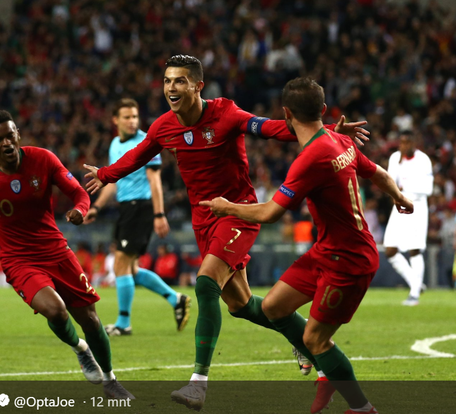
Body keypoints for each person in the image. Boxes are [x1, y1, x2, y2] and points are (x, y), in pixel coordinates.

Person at [84, 55, 369, 410]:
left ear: (197, 86)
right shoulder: (163, 127)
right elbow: (139, 156)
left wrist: (322, 131)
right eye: (167, 81)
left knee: (205, 283)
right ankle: (298, 337)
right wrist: (106, 175)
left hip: (238, 214)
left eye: (180, 81)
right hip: (205, 220)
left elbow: (270, 128)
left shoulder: (227, 114)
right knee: (241, 306)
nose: (171, 88)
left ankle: (198, 383)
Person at [200, 77, 413, 414]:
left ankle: (361, 408)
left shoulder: (310, 158)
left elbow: (270, 212)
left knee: (316, 339)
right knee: (273, 308)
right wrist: (399, 196)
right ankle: (325, 370)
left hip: (349, 260)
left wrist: (227, 207)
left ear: (285, 113)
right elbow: (379, 174)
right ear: (324, 110)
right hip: (326, 249)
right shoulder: (339, 139)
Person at [0, 110, 133, 399]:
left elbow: (80, 193)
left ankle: (111, 380)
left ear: (18, 135)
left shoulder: (44, 159)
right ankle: (80, 349)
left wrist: (80, 210)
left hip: (56, 250)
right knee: (56, 310)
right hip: (18, 260)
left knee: (91, 319)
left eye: (10, 136)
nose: (6, 143)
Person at [83, 98, 190, 336]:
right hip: (125, 209)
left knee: (121, 264)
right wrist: (97, 207)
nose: (132, 122)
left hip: (142, 207)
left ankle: (124, 323)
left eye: (135, 117)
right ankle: (176, 299)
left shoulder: (146, 141)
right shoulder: (114, 144)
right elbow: (112, 181)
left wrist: (159, 214)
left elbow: (154, 180)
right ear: (115, 120)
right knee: (129, 269)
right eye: (127, 117)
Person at [383, 130, 433, 306]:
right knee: (390, 250)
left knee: (414, 249)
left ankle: (414, 294)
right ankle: (416, 283)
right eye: (401, 142)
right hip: (399, 205)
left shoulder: (423, 160)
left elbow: (428, 189)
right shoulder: (395, 158)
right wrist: (398, 192)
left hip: (417, 206)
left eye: (407, 142)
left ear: (414, 143)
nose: (404, 146)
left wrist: (404, 187)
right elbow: (390, 183)